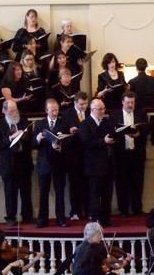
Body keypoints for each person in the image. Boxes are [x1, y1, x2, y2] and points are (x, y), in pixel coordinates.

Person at [0, 100, 34, 226]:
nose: (14, 113)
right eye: (11, 110)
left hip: (24, 162)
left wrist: (23, 136)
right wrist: (11, 137)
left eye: (15, 109)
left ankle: (27, 216)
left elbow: (31, 141)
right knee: (10, 192)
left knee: (26, 191)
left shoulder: (24, 121)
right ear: (4, 111)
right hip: (8, 164)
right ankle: (11, 217)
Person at [33, 98, 70, 228]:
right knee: (43, 192)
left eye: (56, 110)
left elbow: (68, 141)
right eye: (52, 110)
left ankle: (61, 218)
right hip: (44, 163)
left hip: (59, 162)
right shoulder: (39, 124)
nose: (55, 113)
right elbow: (33, 144)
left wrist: (61, 146)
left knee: (60, 192)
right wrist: (37, 139)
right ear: (46, 110)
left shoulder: (64, 123)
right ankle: (42, 219)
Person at [79, 99, 115, 227]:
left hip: (108, 163)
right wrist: (103, 141)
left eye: (103, 109)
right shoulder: (85, 124)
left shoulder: (107, 122)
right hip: (93, 165)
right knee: (94, 194)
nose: (102, 112)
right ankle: (95, 219)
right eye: (99, 109)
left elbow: (113, 135)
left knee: (107, 193)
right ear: (92, 110)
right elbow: (86, 142)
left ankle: (106, 219)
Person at [111, 91, 149, 216]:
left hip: (136, 154)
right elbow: (111, 133)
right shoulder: (114, 115)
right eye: (128, 102)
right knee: (122, 183)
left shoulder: (141, 114)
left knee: (138, 183)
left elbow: (147, 130)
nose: (130, 105)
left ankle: (137, 208)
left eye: (132, 102)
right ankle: (124, 210)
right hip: (121, 155)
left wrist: (138, 134)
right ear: (122, 102)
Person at [62, 91, 90, 220]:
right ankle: (75, 211)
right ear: (75, 103)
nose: (83, 106)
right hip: (73, 154)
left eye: (85, 104)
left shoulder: (90, 112)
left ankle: (89, 210)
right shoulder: (67, 114)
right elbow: (62, 132)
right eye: (81, 104)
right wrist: (70, 131)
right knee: (74, 185)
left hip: (88, 154)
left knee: (88, 184)